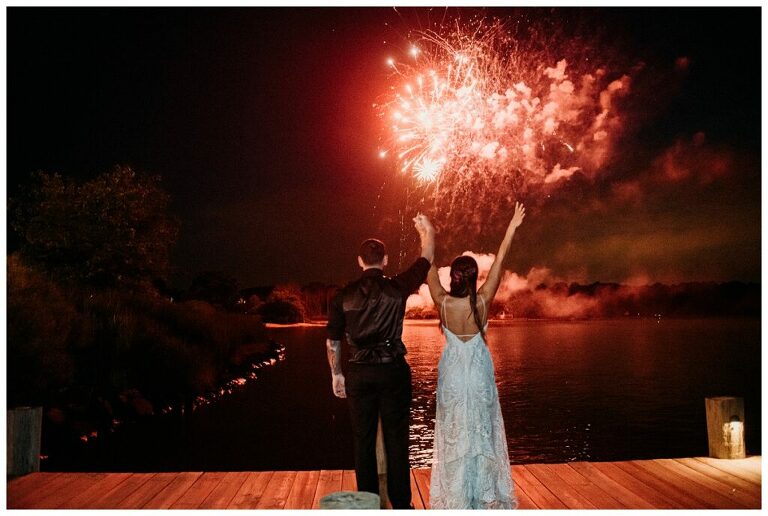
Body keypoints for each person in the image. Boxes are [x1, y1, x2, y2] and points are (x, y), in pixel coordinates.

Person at [326, 214, 435, 509]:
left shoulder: (342, 296)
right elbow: (426, 259)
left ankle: (368, 505)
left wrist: (337, 375)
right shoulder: (397, 287)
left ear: (360, 261)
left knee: (363, 441)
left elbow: (333, 341)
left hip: (359, 374)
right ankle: (401, 505)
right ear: (384, 260)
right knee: (397, 440)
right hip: (392, 372)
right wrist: (426, 231)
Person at [426, 202, 526, 509]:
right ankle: (484, 493)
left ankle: (456, 494)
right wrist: (511, 227)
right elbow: (500, 261)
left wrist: (427, 234)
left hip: (454, 373)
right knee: (483, 428)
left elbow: (427, 265)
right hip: (479, 370)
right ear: (473, 277)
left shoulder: (442, 302)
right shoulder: (482, 301)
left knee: (454, 428)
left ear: (453, 277)